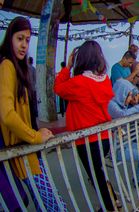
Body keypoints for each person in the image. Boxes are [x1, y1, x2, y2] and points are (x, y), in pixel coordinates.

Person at [0, 16, 66, 212]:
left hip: (23, 148)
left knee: (43, 201)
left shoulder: (17, 67)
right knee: (52, 203)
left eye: (27, 40)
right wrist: (36, 137)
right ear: (9, 37)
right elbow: (7, 114)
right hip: (23, 148)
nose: (24, 45)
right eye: (20, 38)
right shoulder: (7, 66)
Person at [54, 41, 120, 212]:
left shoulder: (79, 82)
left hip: (87, 140)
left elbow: (58, 88)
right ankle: (113, 201)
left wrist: (67, 68)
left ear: (80, 58)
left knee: (96, 175)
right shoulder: (104, 80)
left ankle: (109, 207)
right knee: (99, 172)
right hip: (104, 136)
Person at [108, 79, 139, 190]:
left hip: (123, 142)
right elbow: (123, 115)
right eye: (129, 95)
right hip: (115, 148)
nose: (130, 99)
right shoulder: (112, 105)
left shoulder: (121, 104)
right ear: (122, 94)